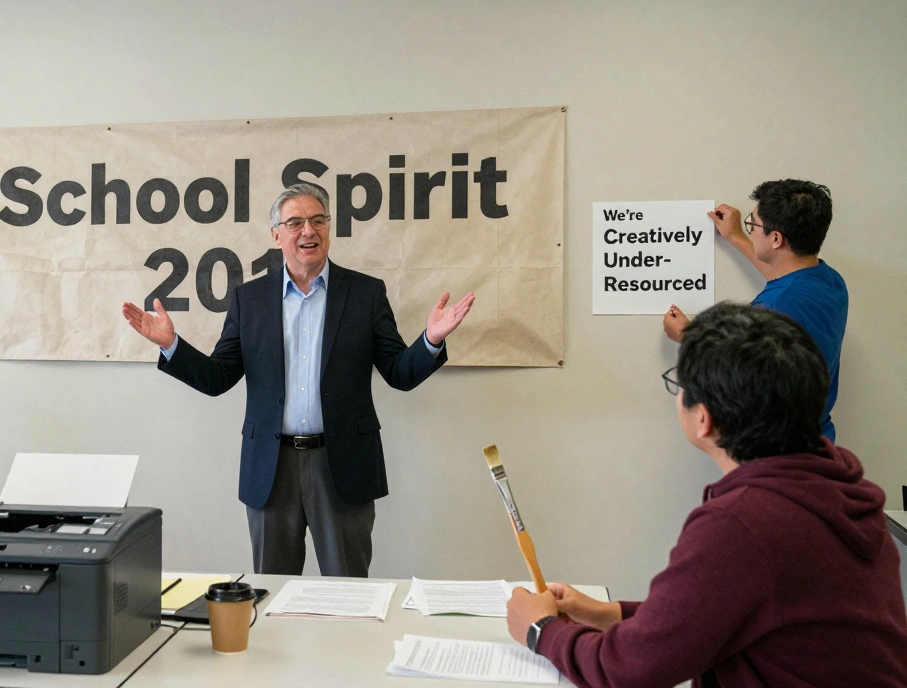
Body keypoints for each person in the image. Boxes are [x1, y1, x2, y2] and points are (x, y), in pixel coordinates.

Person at [508, 303, 907, 687]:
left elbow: (629, 670)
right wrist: (605, 613)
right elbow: (715, 614)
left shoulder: (744, 522)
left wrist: (542, 631)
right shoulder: (836, 486)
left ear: (704, 418)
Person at [122, 183, 475, 577]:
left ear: (329, 228)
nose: (308, 230)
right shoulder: (248, 299)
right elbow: (218, 377)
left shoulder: (365, 294)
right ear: (276, 234)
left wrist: (430, 341)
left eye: (318, 220)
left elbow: (398, 373)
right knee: (272, 593)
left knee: (349, 594)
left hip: (342, 464)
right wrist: (172, 345)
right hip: (271, 470)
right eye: (295, 222)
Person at [664, 179, 846, 440]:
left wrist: (687, 336)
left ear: (775, 238)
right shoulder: (829, 281)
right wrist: (735, 235)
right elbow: (783, 274)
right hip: (816, 438)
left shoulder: (773, 310)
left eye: (753, 224)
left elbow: (736, 370)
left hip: (777, 449)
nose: (751, 230)